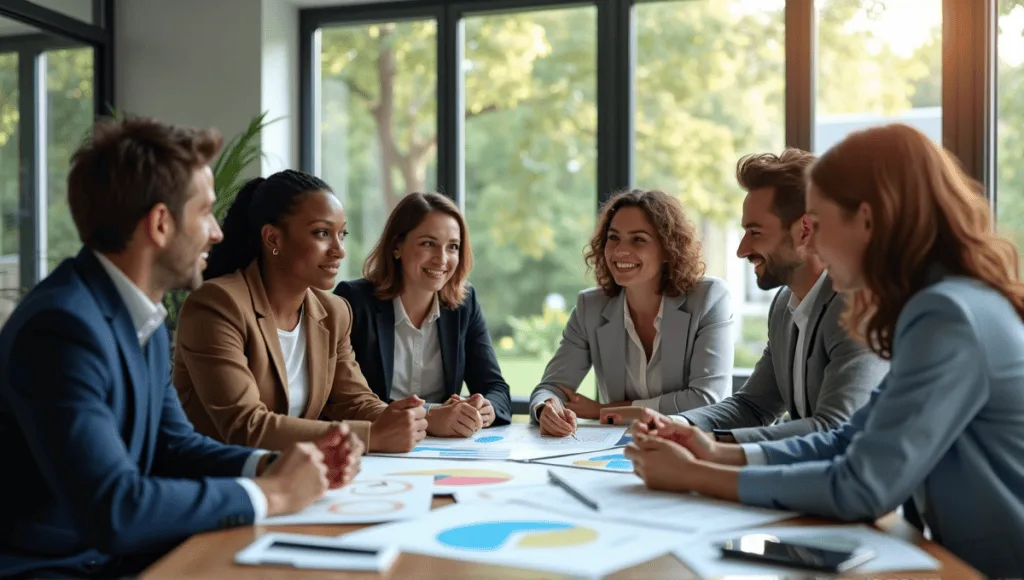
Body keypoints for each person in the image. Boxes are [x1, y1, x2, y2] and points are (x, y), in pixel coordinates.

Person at [623, 124, 1024, 579]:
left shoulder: (945, 315)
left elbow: (863, 486)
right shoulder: (945, 303)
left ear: (866, 220)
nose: (811, 242)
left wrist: (696, 476)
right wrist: (715, 453)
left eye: (819, 223)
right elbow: (851, 438)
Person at [0, 118, 360, 579]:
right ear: (160, 224)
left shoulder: (141, 316)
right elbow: (115, 508)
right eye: (205, 212)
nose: (217, 232)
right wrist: (274, 493)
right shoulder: (61, 329)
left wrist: (273, 465)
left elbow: (174, 445)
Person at [602, 150, 887, 442]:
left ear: (805, 230)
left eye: (755, 232)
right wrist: (675, 425)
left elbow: (834, 429)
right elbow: (753, 406)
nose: (742, 250)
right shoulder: (784, 306)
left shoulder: (859, 306)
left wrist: (715, 445)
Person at [174, 170, 428, 454]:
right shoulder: (218, 304)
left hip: (293, 470)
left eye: (342, 234)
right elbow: (245, 425)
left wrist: (406, 417)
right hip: (220, 473)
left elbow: (354, 401)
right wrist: (370, 436)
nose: (339, 250)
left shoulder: (333, 311)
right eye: (322, 233)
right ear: (273, 238)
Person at [530, 189, 734, 437]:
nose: (620, 251)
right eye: (613, 238)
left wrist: (606, 411)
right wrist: (547, 408)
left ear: (668, 248)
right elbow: (551, 388)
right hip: (619, 448)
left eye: (638, 239)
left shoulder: (709, 298)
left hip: (696, 445)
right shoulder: (590, 307)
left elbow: (706, 400)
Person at [335, 192, 512, 437]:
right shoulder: (353, 301)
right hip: (374, 444)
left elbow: (496, 388)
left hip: (440, 448)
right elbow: (342, 400)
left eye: (453, 247)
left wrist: (486, 408)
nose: (442, 259)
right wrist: (430, 416)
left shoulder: (464, 304)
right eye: (428, 244)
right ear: (396, 246)